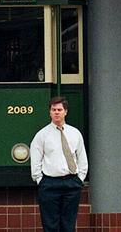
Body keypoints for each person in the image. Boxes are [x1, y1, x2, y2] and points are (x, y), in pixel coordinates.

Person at [30, 96, 88, 232]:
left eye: (59, 109)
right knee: (50, 224)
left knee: (69, 224)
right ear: (50, 112)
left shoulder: (75, 133)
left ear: (65, 112)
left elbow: (82, 157)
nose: (56, 112)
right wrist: (40, 179)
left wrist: (80, 178)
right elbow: (36, 159)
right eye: (53, 109)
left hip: (71, 183)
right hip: (49, 184)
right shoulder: (42, 135)